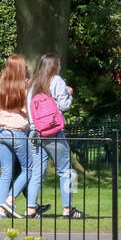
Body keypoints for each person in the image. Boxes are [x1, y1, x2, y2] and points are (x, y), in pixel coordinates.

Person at [26, 53, 81, 219]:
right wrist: (69, 93)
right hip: (53, 132)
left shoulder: (32, 83)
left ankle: (30, 209)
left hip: (35, 133)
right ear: (54, 66)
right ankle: (68, 209)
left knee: (37, 172)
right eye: (59, 64)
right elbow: (64, 106)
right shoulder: (56, 81)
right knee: (66, 171)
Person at [0, 55, 34, 218]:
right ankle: (10, 200)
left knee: (7, 171)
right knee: (30, 168)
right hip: (16, 132)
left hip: (0, 131)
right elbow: (28, 111)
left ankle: (0, 208)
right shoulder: (22, 89)